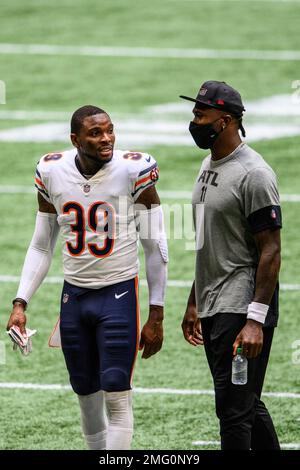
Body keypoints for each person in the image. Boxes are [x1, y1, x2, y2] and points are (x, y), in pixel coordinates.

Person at [6, 105, 168, 450]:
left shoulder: (134, 170)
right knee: (85, 393)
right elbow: (41, 245)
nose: (106, 138)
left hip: (119, 293)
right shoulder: (51, 171)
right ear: (75, 139)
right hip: (75, 297)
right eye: (96, 133)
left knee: (116, 392)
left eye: (110, 130)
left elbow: (155, 245)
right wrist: (20, 303)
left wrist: (157, 312)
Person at [180, 81, 282, 450]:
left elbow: (271, 250)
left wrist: (255, 320)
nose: (194, 121)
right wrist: (195, 300)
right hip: (214, 302)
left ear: (224, 121)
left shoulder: (254, 174)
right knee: (244, 404)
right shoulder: (209, 164)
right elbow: (210, 240)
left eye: (201, 114)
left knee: (234, 411)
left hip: (240, 306)